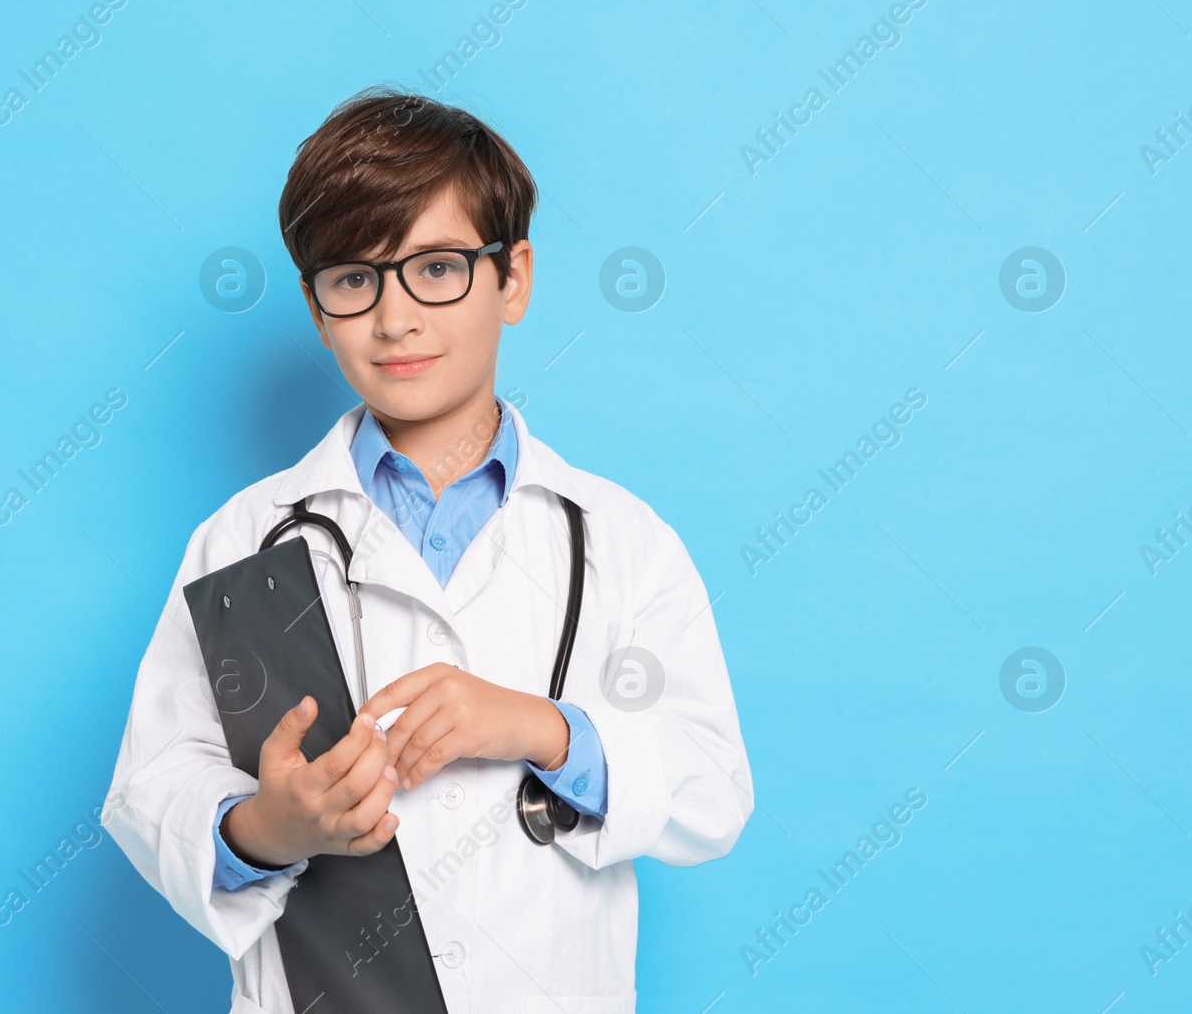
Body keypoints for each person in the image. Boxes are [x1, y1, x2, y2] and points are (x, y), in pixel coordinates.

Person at [102, 87, 753, 1014]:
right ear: (315, 303)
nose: (395, 317)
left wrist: (540, 727)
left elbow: (711, 792)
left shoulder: (620, 539)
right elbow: (152, 788)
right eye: (354, 277)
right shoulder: (245, 543)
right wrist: (267, 827)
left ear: (513, 278)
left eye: (437, 268)